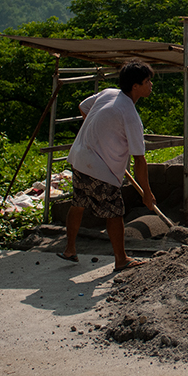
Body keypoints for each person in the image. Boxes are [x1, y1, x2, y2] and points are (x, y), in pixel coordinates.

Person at [57, 59, 156, 271]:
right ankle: (121, 260)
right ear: (135, 86)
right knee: (114, 212)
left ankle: (70, 249)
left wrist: (98, 134)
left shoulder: (109, 93)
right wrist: (146, 193)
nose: (151, 85)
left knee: (78, 203)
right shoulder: (130, 116)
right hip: (99, 169)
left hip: (79, 158)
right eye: (147, 81)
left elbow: (83, 107)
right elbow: (139, 159)